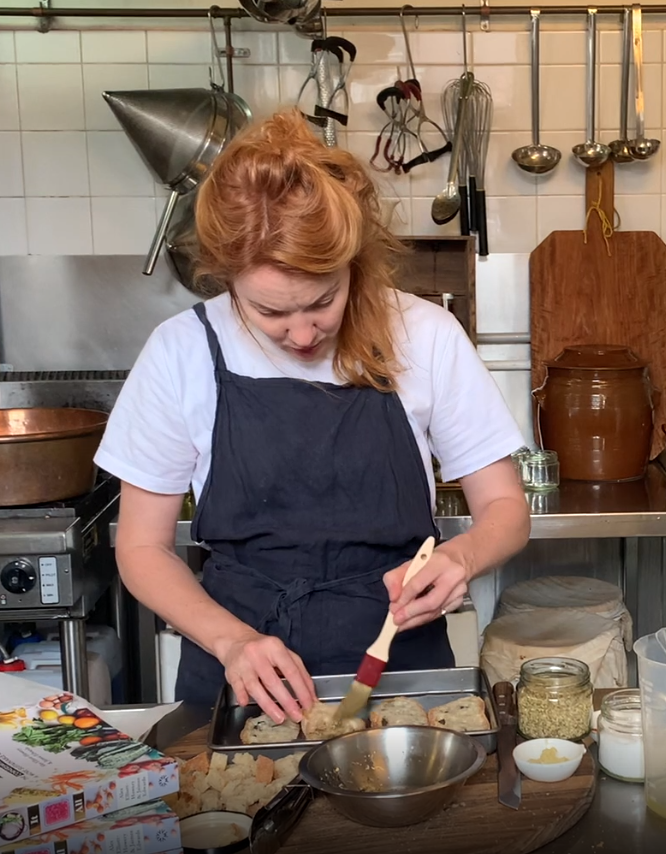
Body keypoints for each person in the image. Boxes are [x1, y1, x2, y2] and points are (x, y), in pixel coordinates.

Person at [97, 109, 530, 724]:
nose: (302, 333)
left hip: (398, 666)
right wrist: (231, 641)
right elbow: (141, 546)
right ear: (226, 278)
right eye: (270, 312)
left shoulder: (424, 335)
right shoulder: (181, 351)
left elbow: (506, 511)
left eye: (325, 299)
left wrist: (461, 559)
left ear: (355, 259)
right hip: (239, 672)